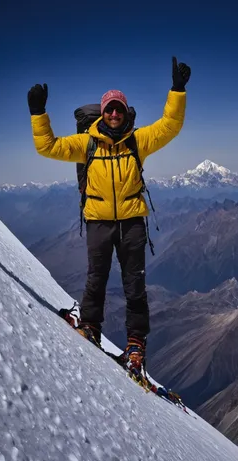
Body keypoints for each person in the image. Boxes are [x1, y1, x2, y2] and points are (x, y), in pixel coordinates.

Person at [27, 56, 191, 375]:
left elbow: (170, 126)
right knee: (96, 279)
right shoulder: (86, 144)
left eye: (119, 108)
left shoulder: (137, 141)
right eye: (109, 108)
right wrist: (38, 113)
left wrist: (177, 90)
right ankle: (90, 327)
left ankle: (135, 345)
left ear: (125, 112)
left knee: (135, 285)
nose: (114, 113)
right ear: (102, 113)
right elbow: (48, 147)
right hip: (99, 221)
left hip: (131, 222)